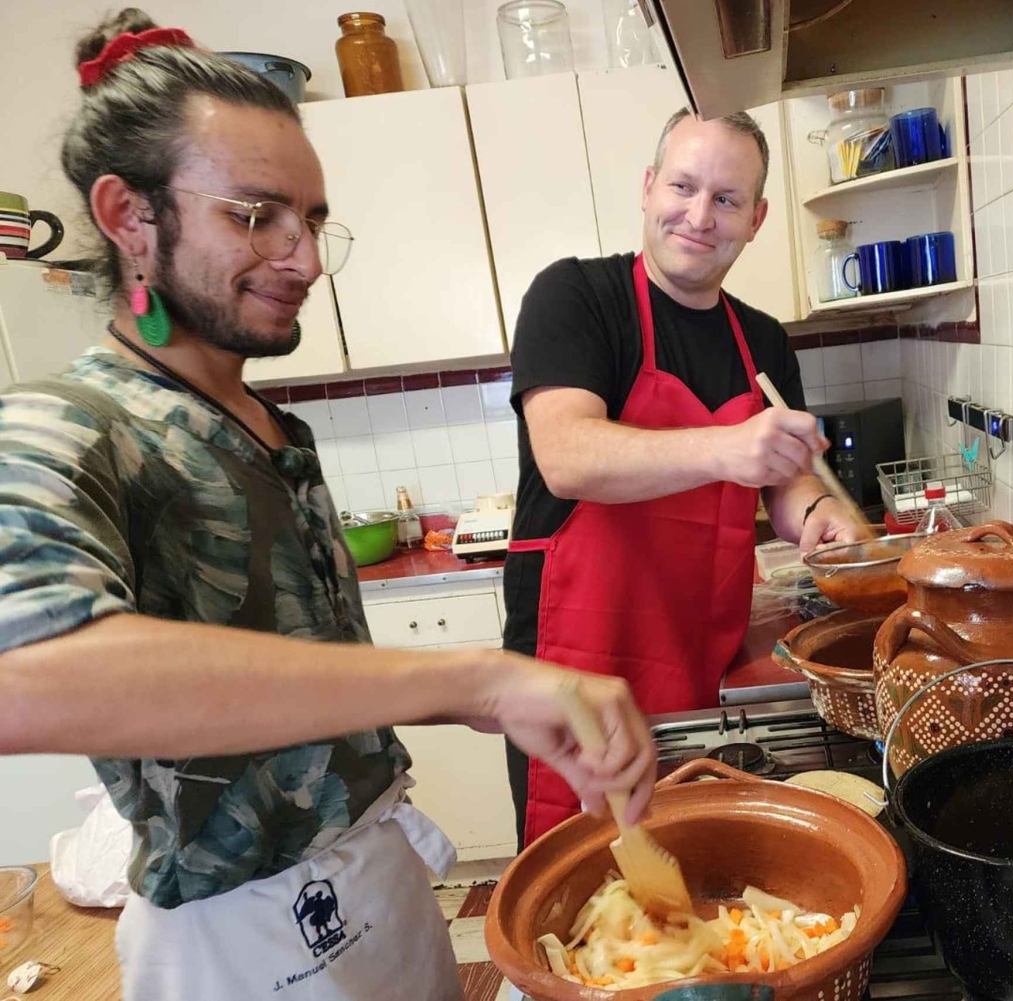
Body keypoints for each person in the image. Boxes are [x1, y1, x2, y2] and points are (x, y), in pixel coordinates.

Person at [0, 12, 655, 1000]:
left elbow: (310, 684)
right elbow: (21, 678)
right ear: (130, 217)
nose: (304, 258)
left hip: (378, 880)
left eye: (311, 220)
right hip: (235, 935)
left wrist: (495, 695)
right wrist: (473, 678)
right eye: (256, 216)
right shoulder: (66, 423)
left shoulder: (271, 426)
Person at [502, 107, 864, 845]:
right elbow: (567, 455)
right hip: (579, 663)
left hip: (699, 658)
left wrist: (819, 510)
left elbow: (788, 479)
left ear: (756, 218)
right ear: (647, 187)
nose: (699, 215)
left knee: (690, 856)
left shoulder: (761, 339)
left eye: (726, 199)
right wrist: (725, 447)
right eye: (683, 186)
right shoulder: (576, 297)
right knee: (588, 875)